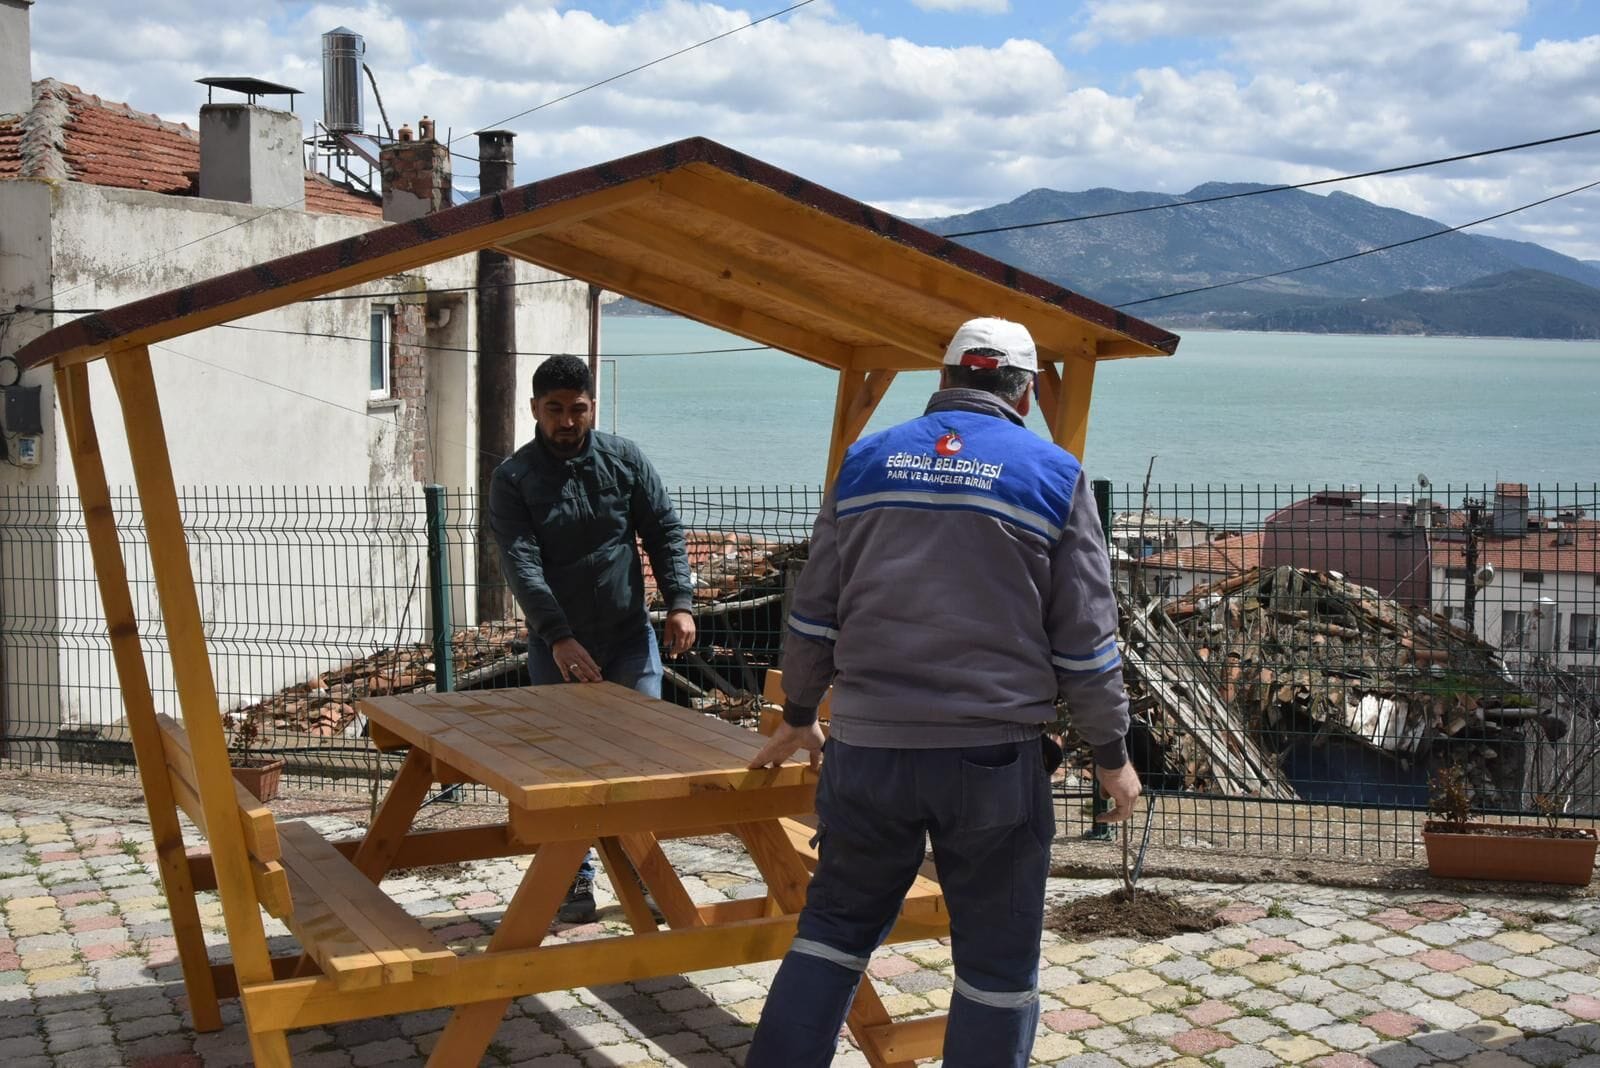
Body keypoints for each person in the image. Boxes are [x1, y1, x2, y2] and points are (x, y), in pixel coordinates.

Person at [744, 317, 1141, 1067]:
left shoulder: (864, 461)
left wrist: (799, 712)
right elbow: (1086, 640)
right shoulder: (1055, 474)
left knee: (830, 936)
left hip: (868, 752)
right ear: (1023, 394)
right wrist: (1110, 752)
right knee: (995, 968)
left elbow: (813, 612)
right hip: (992, 761)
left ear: (945, 380)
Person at [489, 354, 697, 923]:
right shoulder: (513, 479)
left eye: (576, 409)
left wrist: (680, 603)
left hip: (631, 636)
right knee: (565, 766)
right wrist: (557, 636)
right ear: (534, 409)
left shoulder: (624, 459)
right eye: (554, 409)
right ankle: (572, 881)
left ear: (591, 408)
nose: (566, 420)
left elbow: (663, 530)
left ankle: (640, 871)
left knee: (640, 762)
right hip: (557, 645)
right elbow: (522, 564)